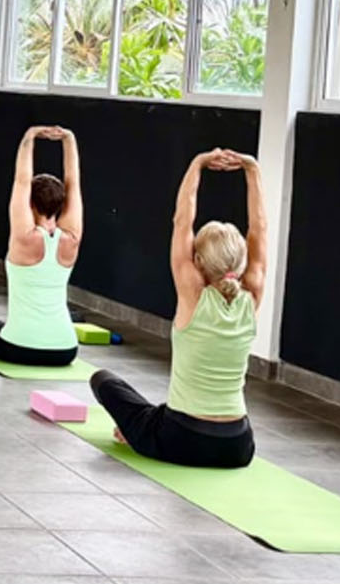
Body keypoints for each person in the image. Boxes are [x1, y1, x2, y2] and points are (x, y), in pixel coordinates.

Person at [90, 149, 263, 469]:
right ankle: (143, 427)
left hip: (183, 438)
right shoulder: (252, 297)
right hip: (238, 446)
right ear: (241, 264)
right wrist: (251, 170)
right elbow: (259, 230)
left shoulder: (192, 295)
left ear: (198, 262)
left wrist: (197, 163)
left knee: (105, 381)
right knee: (157, 413)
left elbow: (182, 220)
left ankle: (137, 431)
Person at [0, 126, 83, 366]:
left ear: (29, 203)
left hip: (20, 348)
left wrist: (29, 136)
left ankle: (21, 332)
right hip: (66, 350)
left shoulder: (24, 237)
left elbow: (22, 181)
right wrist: (69, 139)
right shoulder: (72, 239)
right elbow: (73, 184)